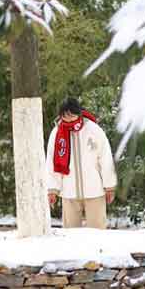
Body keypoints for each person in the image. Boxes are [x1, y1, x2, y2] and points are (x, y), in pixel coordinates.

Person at [45, 98, 117, 229]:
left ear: (78, 113)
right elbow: (51, 162)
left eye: (72, 115)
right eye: (65, 116)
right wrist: (52, 189)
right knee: (70, 234)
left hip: (94, 190)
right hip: (69, 191)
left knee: (97, 231)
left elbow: (105, 158)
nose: (69, 119)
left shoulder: (94, 129)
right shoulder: (56, 133)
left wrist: (109, 186)